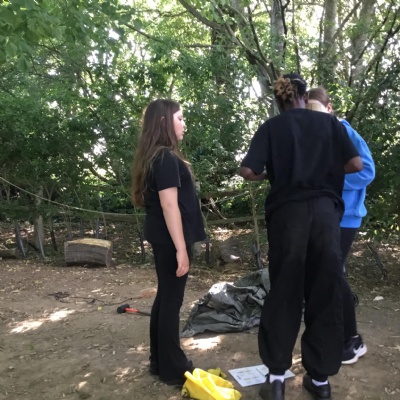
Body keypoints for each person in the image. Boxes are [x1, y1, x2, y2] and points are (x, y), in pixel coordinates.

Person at [239, 73, 363, 400]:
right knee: (325, 291)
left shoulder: (271, 127)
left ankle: (277, 380)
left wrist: (275, 173)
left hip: (287, 216)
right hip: (325, 216)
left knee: (284, 292)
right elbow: (356, 163)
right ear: (305, 97)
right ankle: (320, 382)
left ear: (278, 100)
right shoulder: (330, 124)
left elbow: (248, 171)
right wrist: (327, 170)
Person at [131, 99, 206, 386]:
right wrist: (181, 248)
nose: (184, 124)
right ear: (164, 122)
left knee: (165, 298)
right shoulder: (164, 158)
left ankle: (159, 361)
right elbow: (169, 205)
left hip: (163, 237)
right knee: (171, 301)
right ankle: (173, 368)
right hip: (170, 239)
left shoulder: (157, 156)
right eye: (180, 118)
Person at [307, 87, 375, 364]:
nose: (312, 114)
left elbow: (367, 172)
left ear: (329, 108)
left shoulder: (344, 131)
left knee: (333, 274)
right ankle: (336, 335)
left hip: (346, 218)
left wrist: (330, 180)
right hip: (326, 216)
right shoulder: (314, 136)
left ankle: (353, 340)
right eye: (307, 109)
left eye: (316, 108)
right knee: (327, 273)